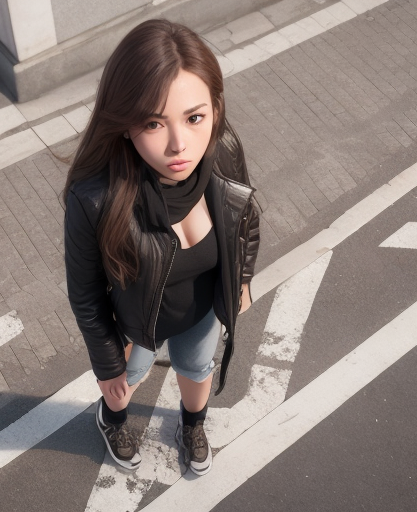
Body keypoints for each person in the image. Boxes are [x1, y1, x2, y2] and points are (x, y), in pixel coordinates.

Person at [63, 19, 260, 476]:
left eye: (194, 118)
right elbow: (86, 295)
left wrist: (243, 279)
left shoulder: (224, 150)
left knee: (197, 368)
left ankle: (192, 426)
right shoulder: (94, 198)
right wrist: (108, 365)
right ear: (124, 125)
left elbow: (246, 220)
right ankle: (111, 421)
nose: (179, 144)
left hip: (204, 310)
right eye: (153, 122)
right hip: (137, 324)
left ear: (215, 108)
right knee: (123, 386)